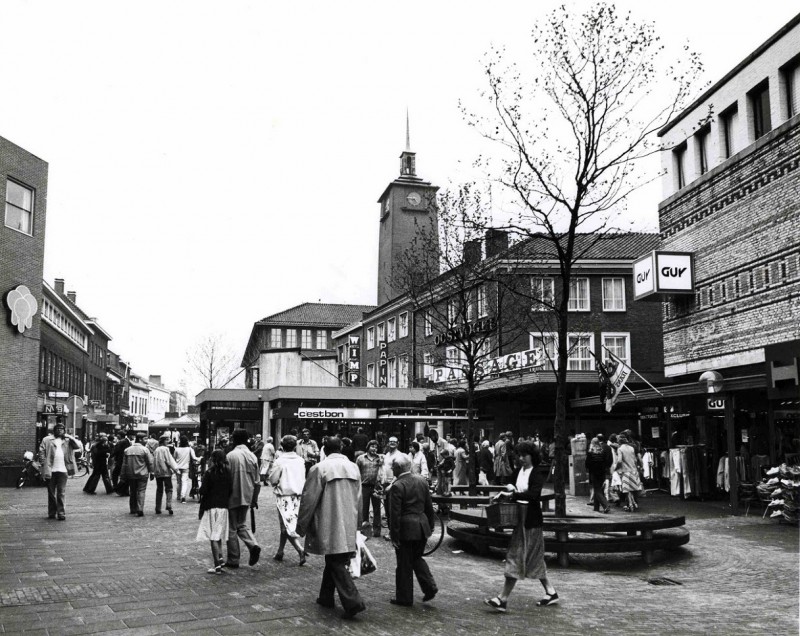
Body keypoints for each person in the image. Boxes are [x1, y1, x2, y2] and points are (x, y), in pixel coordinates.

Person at [485, 441, 558, 612]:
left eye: (524, 455)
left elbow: (534, 495)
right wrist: (506, 493)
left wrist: (514, 493)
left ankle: (502, 599)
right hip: (520, 519)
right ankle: (551, 591)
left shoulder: (537, 473)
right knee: (534, 558)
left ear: (532, 456)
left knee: (516, 556)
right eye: (519, 455)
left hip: (531, 520)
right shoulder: (519, 471)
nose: (521, 458)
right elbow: (513, 488)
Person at [297, 436, 365, 619]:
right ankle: (325, 596)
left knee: (335, 561)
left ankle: (353, 601)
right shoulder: (353, 467)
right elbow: (360, 498)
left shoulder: (319, 468)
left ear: (324, 450)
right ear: (341, 448)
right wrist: (359, 522)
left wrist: (301, 525)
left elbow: (308, 500)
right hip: (348, 520)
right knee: (335, 557)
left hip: (328, 520)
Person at [388, 455, 438, 607]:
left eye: (393, 466)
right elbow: (429, 506)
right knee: (416, 557)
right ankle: (429, 586)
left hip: (406, 529)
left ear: (398, 468)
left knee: (404, 563)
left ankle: (404, 597)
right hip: (421, 527)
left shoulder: (397, 485)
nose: (391, 469)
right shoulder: (421, 481)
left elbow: (394, 515)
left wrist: (394, 536)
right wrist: (430, 525)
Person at [224, 428, 261, 568]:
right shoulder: (252, 456)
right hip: (247, 494)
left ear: (234, 439)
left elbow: (225, 478)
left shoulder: (230, 456)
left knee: (232, 527)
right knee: (241, 524)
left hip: (232, 495)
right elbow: (257, 481)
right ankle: (253, 545)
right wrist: (254, 499)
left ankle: (233, 559)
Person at [268, 435, 306, 565]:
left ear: (282, 446)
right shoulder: (301, 460)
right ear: (295, 446)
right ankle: (280, 551)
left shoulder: (280, 461)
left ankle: (300, 549)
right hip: (298, 496)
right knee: (287, 524)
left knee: (285, 526)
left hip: (284, 497)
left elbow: (273, 479)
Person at [197, 449, 233, 575]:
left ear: (212, 459)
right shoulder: (228, 472)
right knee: (218, 535)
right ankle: (221, 559)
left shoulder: (209, 472)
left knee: (213, 536)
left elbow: (203, 491)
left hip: (211, 506)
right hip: (223, 506)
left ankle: (217, 565)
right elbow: (231, 489)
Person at [39, 422, 81, 520]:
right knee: (51, 493)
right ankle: (52, 512)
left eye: (61, 429)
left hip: (63, 470)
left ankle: (61, 513)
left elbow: (77, 447)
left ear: (64, 430)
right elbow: (41, 451)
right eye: (57, 429)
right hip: (50, 470)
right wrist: (43, 463)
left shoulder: (68, 440)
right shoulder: (47, 439)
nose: (59, 430)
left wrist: (70, 437)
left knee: (61, 492)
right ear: (54, 430)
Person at [121, 432, 155, 517]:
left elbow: (124, 464)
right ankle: (140, 508)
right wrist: (152, 472)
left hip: (131, 474)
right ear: (140, 439)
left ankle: (133, 509)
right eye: (145, 439)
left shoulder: (127, 450)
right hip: (142, 474)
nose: (146, 441)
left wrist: (123, 475)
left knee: (133, 491)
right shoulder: (145, 450)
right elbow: (150, 462)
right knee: (141, 491)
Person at [356, 439, 384, 538]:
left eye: (376, 447)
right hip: (364, 486)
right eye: (372, 446)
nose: (374, 449)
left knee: (377, 509)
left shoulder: (380, 458)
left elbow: (383, 470)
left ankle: (377, 531)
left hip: (376, 486)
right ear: (368, 447)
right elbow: (357, 472)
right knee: (364, 508)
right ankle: (364, 531)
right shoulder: (360, 458)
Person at [153, 433, 180, 514]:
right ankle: (168, 504)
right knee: (169, 489)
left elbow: (154, 461)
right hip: (166, 472)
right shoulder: (165, 449)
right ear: (163, 441)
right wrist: (176, 469)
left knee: (159, 490)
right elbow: (169, 460)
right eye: (167, 440)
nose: (168, 442)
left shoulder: (156, 450)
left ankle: (158, 507)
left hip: (158, 472)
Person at [617, 434, 643, 512]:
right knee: (633, 489)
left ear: (619, 441)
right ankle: (633, 503)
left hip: (625, 471)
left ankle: (630, 504)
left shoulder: (620, 449)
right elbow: (636, 460)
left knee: (626, 489)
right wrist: (641, 466)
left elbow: (619, 460)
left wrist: (617, 468)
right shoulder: (632, 448)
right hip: (633, 470)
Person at [585, 437, 611, 513]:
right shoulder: (602, 452)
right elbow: (606, 462)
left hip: (594, 473)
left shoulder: (590, 453)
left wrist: (588, 470)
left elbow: (587, 464)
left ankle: (606, 505)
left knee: (597, 490)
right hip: (602, 473)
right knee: (599, 488)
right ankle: (596, 507)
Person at [174, 436, 198, 504]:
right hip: (185, 468)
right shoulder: (189, 449)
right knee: (184, 482)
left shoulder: (177, 449)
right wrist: (200, 458)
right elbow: (194, 458)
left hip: (178, 467)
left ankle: (178, 496)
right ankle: (183, 497)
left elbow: (174, 458)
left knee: (179, 482)